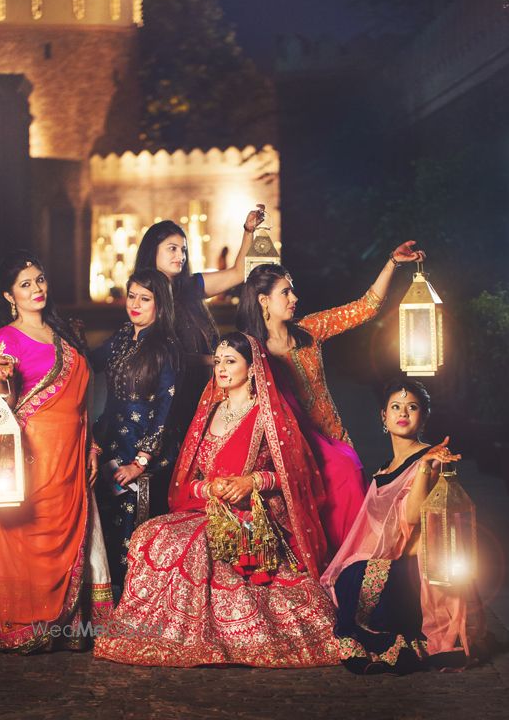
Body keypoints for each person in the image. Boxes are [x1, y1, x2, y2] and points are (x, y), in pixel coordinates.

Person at [94, 332, 341, 667]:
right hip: (206, 509)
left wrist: (251, 481)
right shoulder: (209, 414)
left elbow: (295, 477)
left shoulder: (268, 416)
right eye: (219, 361)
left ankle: (210, 634)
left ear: (253, 369)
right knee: (152, 535)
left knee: (195, 545)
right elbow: (189, 482)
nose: (222, 368)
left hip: (253, 516)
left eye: (231, 361)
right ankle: (161, 632)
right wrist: (209, 489)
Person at [235, 241, 425, 554]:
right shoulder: (252, 350)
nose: (295, 298)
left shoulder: (309, 330)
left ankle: (356, 582)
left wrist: (392, 262)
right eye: (286, 292)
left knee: (350, 481)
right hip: (289, 448)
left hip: (334, 440)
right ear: (263, 300)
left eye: (292, 290)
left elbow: (365, 307)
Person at [0, 250, 112, 653]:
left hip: (73, 452)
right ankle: (31, 618)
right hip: (34, 454)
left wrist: (92, 446)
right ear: (9, 295)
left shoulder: (67, 331)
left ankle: (72, 624)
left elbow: (83, 399)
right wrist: (1, 379)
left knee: (74, 534)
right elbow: (2, 405)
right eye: (25, 284)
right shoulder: (5, 340)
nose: (36, 289)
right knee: (30, 534)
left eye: (39, 279)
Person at [321, 379, 485, 674]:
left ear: (424, 416)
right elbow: (374, 530)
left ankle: (386, 645)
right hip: (394, 563)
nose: (403, 413)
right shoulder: (383, 470)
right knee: (348, 574)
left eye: (412, 407)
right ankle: (365, 642)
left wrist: (424, 466)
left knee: (367, 578)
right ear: (383, 416)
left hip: (419, 570)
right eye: (395, 407)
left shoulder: (433, 458)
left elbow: (412, 517)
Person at [134, 208, 265, 437]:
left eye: (183, 250)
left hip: (210, 385)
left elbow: (238, 273)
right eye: (172, 249)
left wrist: (248, 231)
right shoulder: (144, 297)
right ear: (152, 252)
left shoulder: (191, 285)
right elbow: (160, 355)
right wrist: (215, 360)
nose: (180, 256)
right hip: (174, 395)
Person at [90, 269, 180, 591]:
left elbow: (165, 414)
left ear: (160, 304)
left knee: (130, 517)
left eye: (145, 298)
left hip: (145, 449)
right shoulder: (121, 338)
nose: (136, 305)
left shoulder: (165, 347)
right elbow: (86, 362)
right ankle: (103, 595)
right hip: (110, 440)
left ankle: (134, 598)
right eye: (132, 296)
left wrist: (139, 462)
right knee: (101, 512)